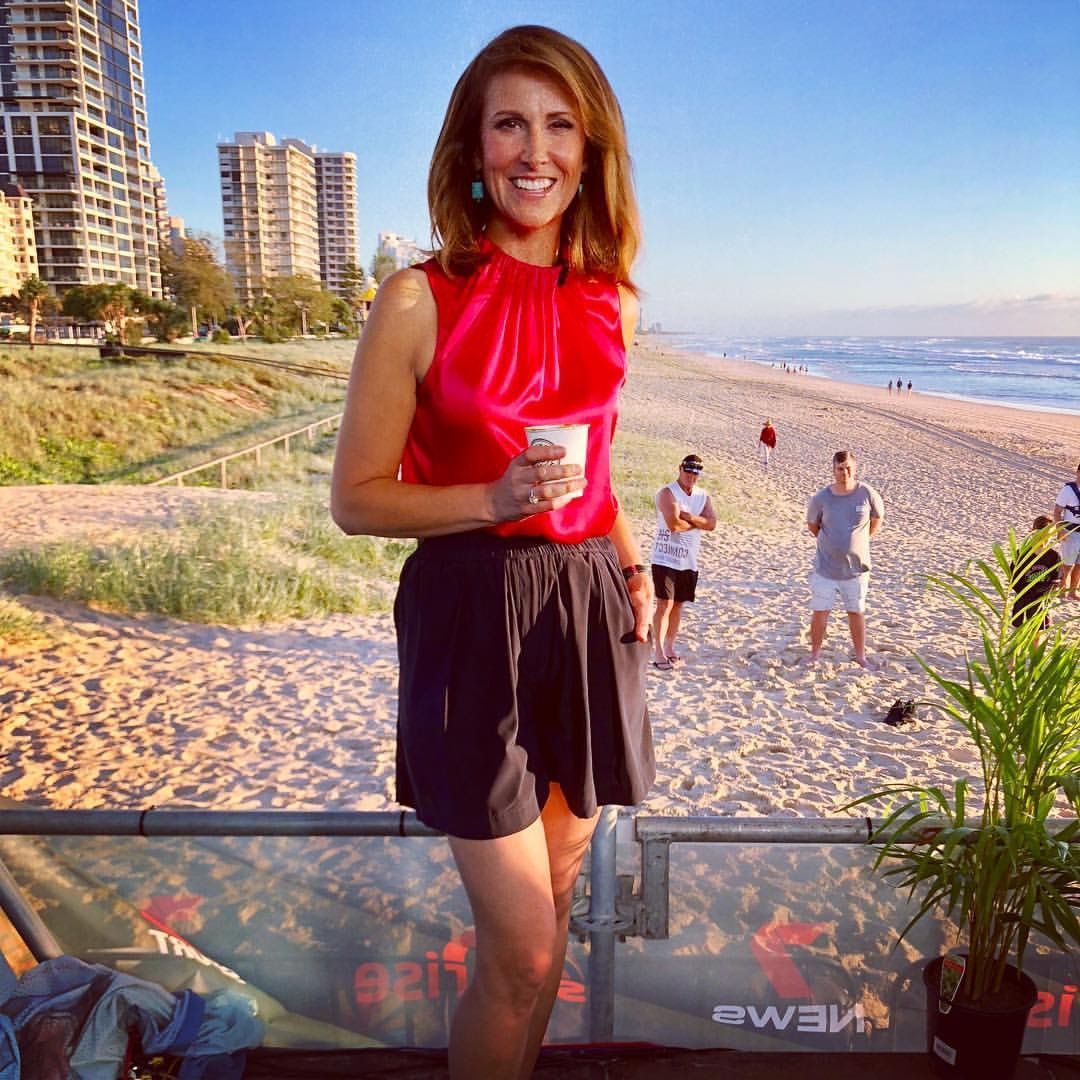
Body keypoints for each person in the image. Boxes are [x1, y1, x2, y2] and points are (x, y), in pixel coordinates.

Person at [330, 26, 653, 1079]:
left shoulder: (614, 300)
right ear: (473, 150)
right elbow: (356, 500)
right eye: (509, 123)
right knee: (519, 952)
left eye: (560, 126)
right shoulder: (417, 299)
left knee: (552, 916)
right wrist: (492, 499)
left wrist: (629, 558)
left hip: (587, 606)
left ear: (590, 152)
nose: (535, 150)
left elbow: (594, 474)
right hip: (472, 616)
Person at [805, 449, 884, 669]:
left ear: (854, 468)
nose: (844, 473)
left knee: (856, 611)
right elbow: (813, 525)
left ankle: (860, 656)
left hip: (857, 569)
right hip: (826, 568)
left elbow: (877, 519)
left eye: (848, 468)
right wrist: (833, 543)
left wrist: (860, 540)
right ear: (833, 470)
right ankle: (815, 655)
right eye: (840, 469)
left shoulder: (867, 493)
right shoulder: (821, 498)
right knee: (820, 611)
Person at [650, 454, 716, 669]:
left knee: (678, 605)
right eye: (688, 471)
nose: (691, 476)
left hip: (688, 560)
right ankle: (658, 652)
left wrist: (690, 517)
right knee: (664, 604)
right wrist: (698, 523)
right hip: (665, 556)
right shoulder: (667, 493)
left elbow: (712, 523)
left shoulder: (702, 496)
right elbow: (674, 525)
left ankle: (670, 648)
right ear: (680, 468)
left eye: (695, 473)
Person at [1010, 515, 1060, 631]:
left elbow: (1055, 580)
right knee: (1018, 632)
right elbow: (1014, 578)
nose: (1045, 538)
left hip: (1041, 601)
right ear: (1033, 532)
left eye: (1049, 535)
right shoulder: (1021, 554)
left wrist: (1042, 594)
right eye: (1042, 534)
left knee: (1037, 634)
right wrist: (1026, 593)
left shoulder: (1053, 556)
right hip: (1022, 600)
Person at [1052, 463, 1080, 599]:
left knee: (1079, 565)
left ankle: (1072, 592)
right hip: (1070, 531)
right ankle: (1062, 591)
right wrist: (1060, 530)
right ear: (1078, 472)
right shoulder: (1068, 490)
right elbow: (1057, 511)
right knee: (1067, 565)